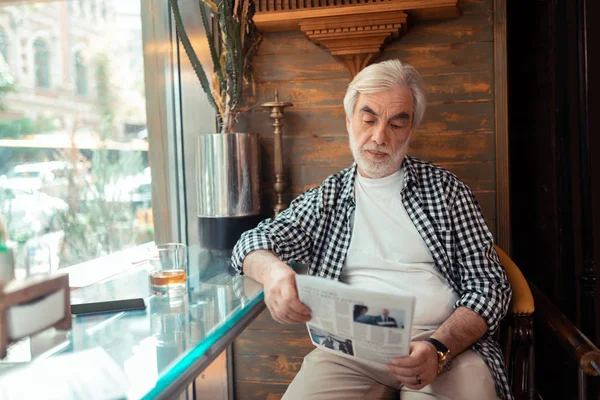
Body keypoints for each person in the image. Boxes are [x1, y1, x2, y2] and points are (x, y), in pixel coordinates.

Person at [232, 59, 512, 400]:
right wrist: (273, 271)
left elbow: (490, 285)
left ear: (410, 131)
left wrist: (440, 347)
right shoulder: (328, 197)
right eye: (369, 118)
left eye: (397, 124)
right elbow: (252, 241)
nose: (380, 136)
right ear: (349, 121)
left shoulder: (446, 191)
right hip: (350, 352)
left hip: (441, 345)